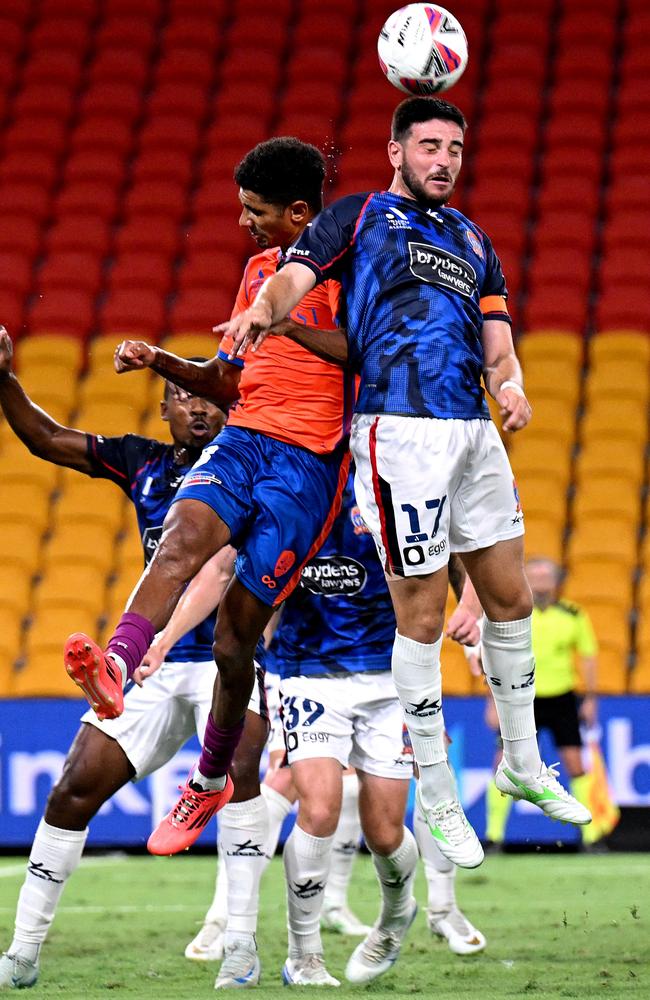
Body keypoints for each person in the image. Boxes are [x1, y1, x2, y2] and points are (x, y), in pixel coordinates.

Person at [217, 96, 592, 866]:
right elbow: (294, 275)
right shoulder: (357, 218)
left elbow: (498, 340)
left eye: (454, 148)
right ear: (396, 152)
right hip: (398, 430)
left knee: (509, 598)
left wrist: (511, 385)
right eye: (428, 146)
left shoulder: (474, 239)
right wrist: (263, 312)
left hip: (472, 431)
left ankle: (522, 766)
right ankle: (444, 795)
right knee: (420, 619)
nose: (444, 160)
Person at [65, 138, 352, 861]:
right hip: (246, 435)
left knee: (235, 640)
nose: (243, 225)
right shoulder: (257, 270)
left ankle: (211, 777)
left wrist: (284, 321)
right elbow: (227, 380)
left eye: (255, 212)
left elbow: (367, 354)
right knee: (179, 541)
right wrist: (160, 359)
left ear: (296, 212)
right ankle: (117, 668)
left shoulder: (355, 267)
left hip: (310, 463)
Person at [0, 329, 269, 990]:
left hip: (231, 658)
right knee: (73, 786)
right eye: (183, 397)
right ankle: (24, 951)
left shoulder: (264, 471)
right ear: (164, 410)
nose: (199, 410)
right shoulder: (140, 463)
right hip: (153, 662)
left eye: (210, 398)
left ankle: (240, 942)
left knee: (239, 768)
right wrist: (4, 378)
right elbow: (44, 438)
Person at [186, 474, 485, 987]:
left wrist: (471, 612)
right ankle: (304, 956)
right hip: (308, 674)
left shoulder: (397, 484)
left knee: (386, 833)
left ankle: (395, 917)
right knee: (319, 807)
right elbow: (249, 579)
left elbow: (461, 549)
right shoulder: (290, 490)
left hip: (390, 678)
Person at [485, 557, 602, 848]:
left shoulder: (573, 615)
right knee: (504, 763)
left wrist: (590, 698)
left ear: (555, 581)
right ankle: (494, 835)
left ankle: (591, 837)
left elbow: (588, 657)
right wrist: (492, 699)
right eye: (534, 576)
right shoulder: (514, 613)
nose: (540, 582)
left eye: (545, 576)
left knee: (575, 764)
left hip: (562, 697)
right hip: (520, 697)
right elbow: (496, 657)